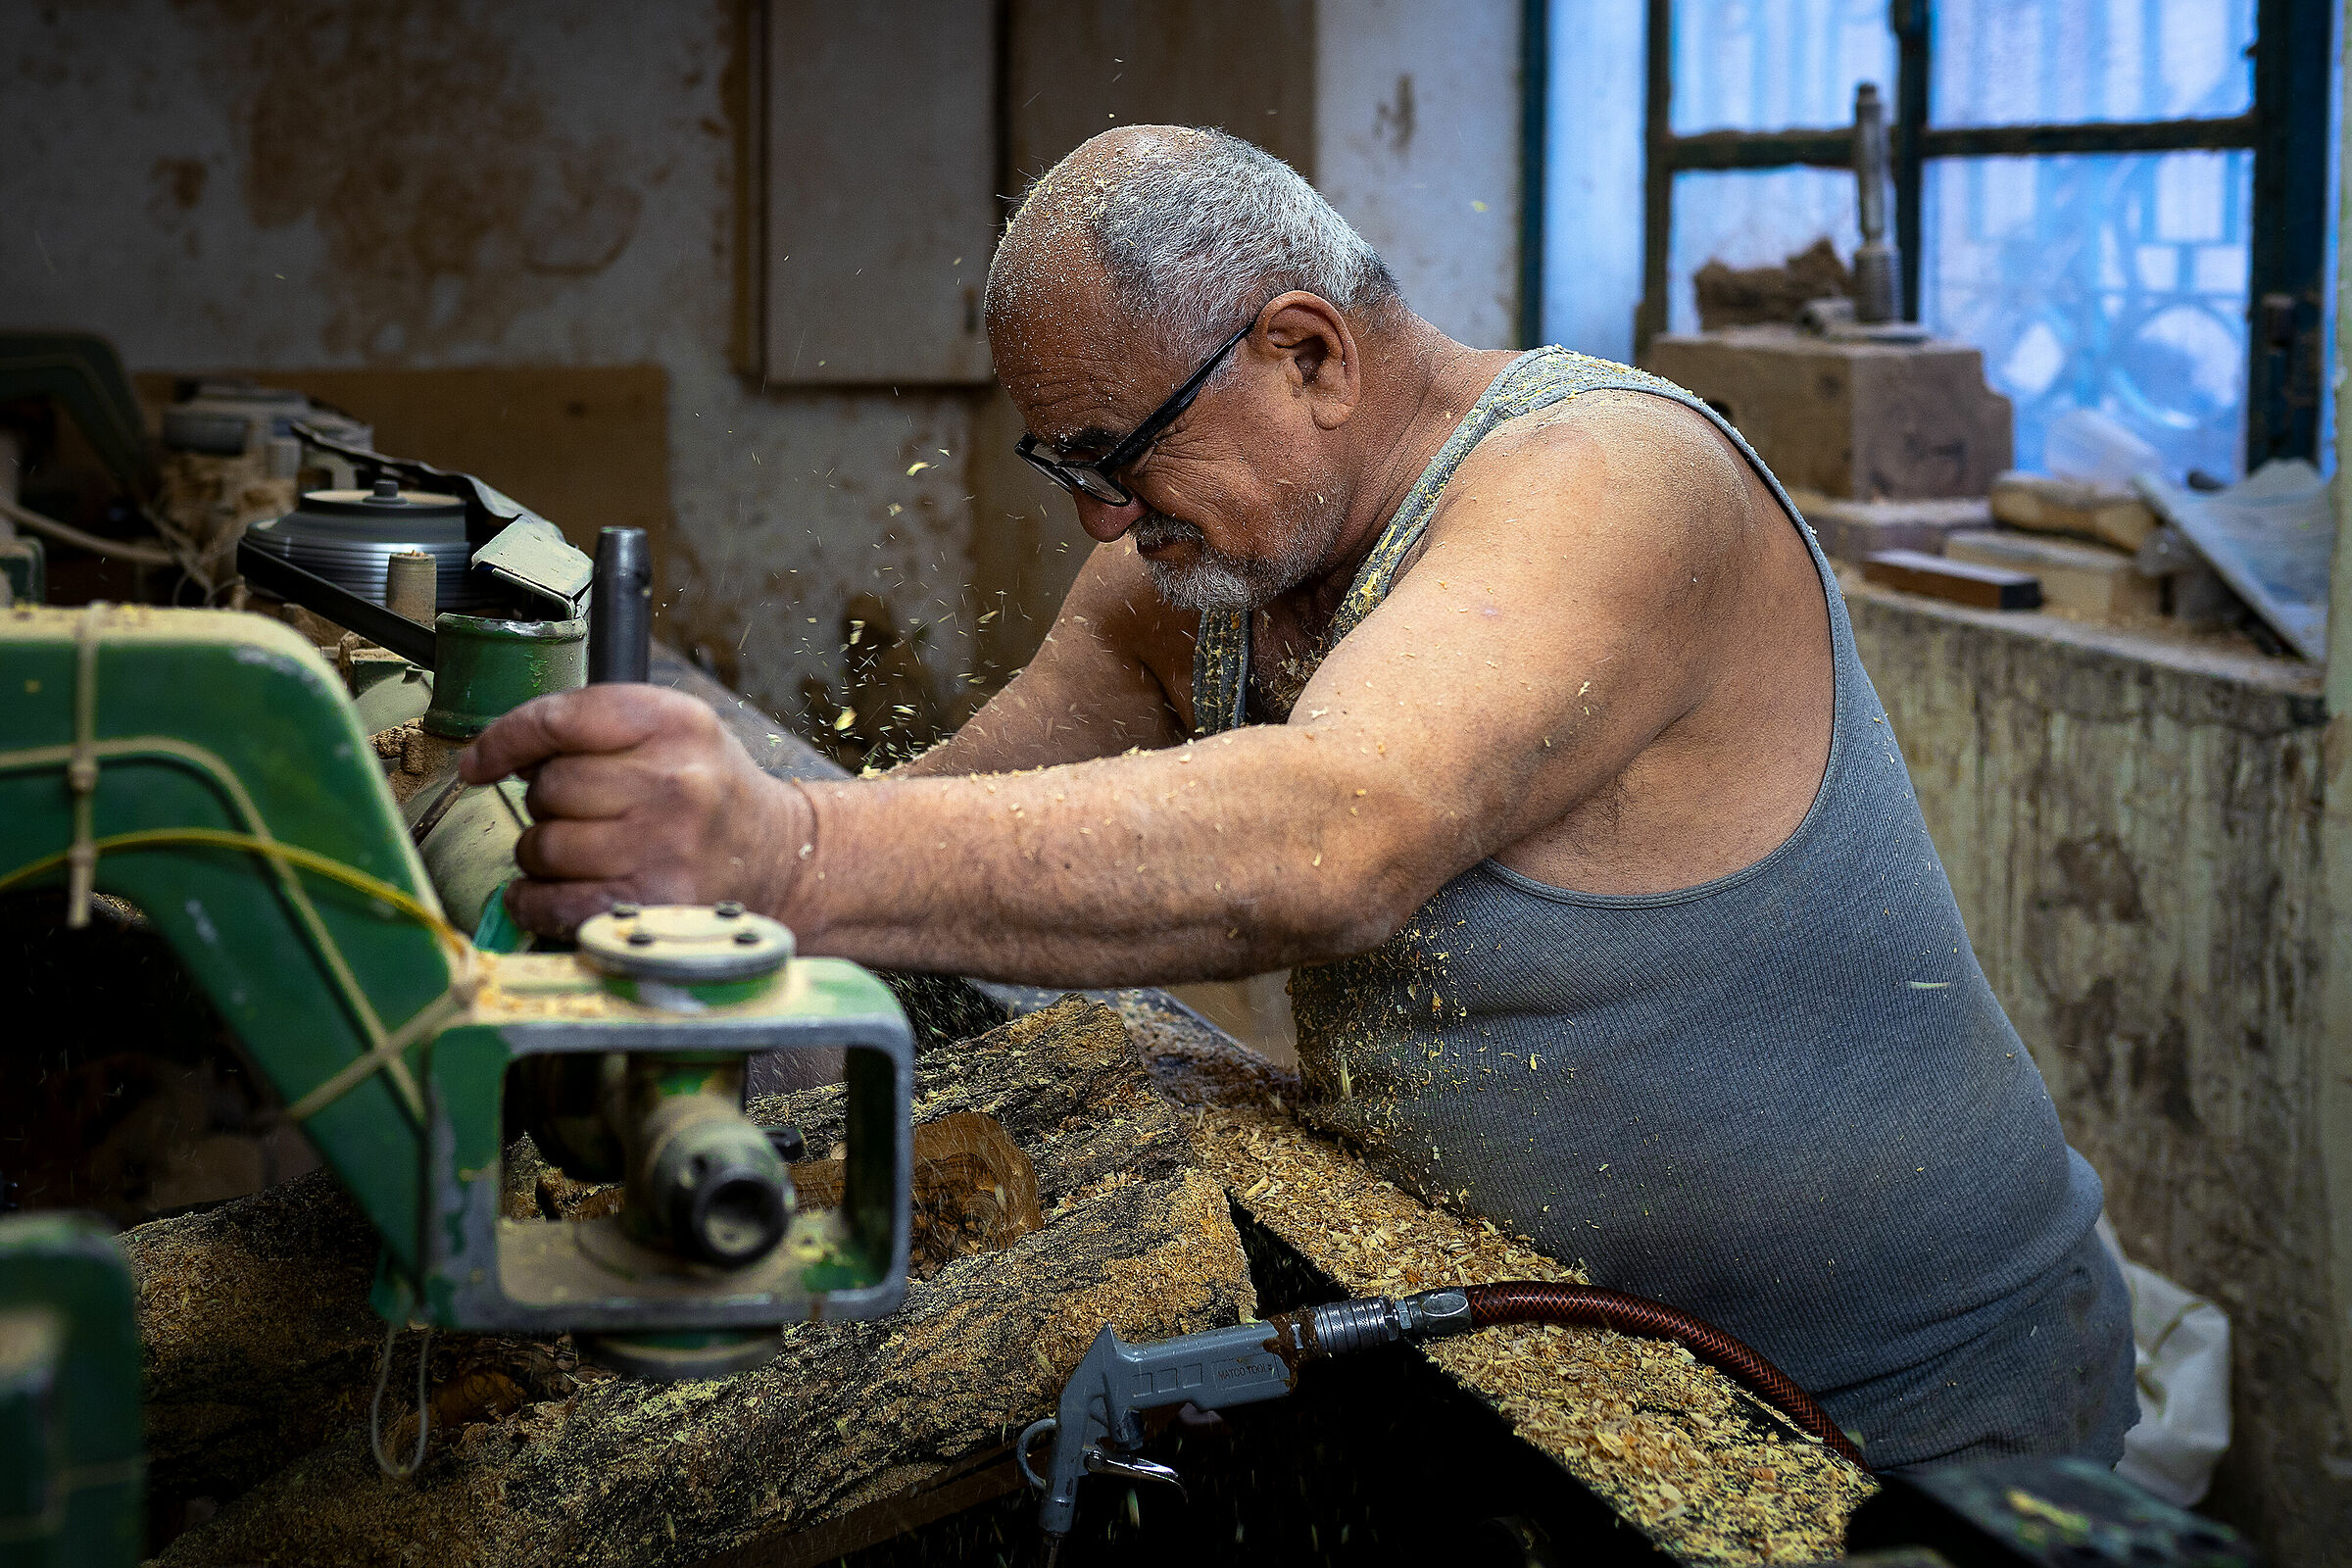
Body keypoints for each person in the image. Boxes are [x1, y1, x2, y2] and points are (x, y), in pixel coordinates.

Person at [460, 125, 2133, 1469]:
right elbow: (952, 848)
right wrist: (665, 947)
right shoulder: (1191, 578)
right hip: (1565, 1378)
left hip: (1907, 1410)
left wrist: (786, 844)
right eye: (1067, 471)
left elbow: (1336, 834)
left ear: (1309, 351)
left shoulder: (1609, 485)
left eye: (1120, 457)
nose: (1102, 525)